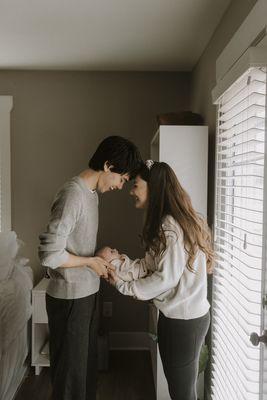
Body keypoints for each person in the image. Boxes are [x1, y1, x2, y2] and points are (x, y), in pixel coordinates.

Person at [38, 136, 142, 400]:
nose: (121, 186)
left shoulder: (92, 195)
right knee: (70, 379)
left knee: (84, 372)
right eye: (121, 178)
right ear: (108, 165)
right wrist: (89, 262)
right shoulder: (73, 194)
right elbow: (49, 254)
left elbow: (73, 246)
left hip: (86, 294)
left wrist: (97, 257)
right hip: (70, 298)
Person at [108, 160, 214, 400]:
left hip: (184, 322)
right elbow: (150, 266)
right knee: (180, 390)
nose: (131, 191)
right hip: (176, 319)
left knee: (182, 393)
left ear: (153, 188)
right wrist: (120, 267)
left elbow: (165, 278)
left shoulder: (170, 227)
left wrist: (123, 285)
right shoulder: (166, 223)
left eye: (135, 185)